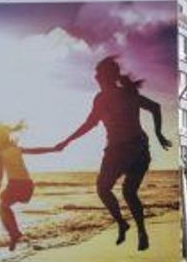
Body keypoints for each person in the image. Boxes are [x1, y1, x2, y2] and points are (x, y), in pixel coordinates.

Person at [55, 56, 172, 251]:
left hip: (120, 151)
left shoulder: (104, 98)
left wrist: (67, 141)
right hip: (141, 149)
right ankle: (141, 232)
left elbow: (89, 124)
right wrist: (158, 134)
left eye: (98, 73)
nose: (95, 76)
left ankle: (123, 223)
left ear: (105, 77)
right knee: (129, 193)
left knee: (103, 188)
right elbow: (155, 107)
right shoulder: (129, 93)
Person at [0, 121, 61, 251]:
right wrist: (53, 149)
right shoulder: (16, 149)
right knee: (4, 206)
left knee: (1, 207)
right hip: (28, 187)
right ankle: (15, 233)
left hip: (15, 185)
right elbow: (36, 151)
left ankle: (14, 233)